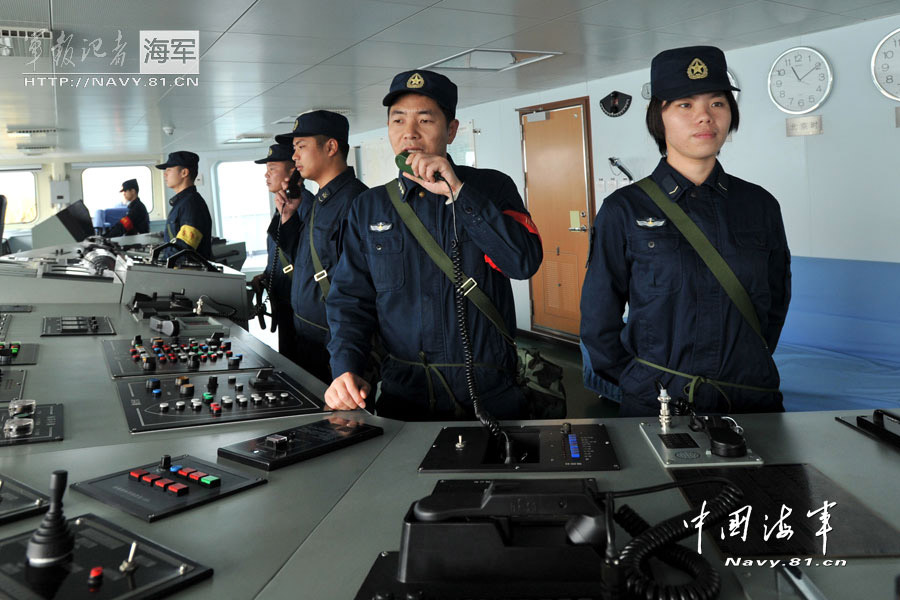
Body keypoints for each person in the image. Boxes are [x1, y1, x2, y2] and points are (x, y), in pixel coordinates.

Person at [580, 46, 791, 417]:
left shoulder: (759, 205)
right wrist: (635, 380)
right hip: (658, 401)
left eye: (717, 103)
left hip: (749, 399)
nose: (704, 118)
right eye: (685, 105)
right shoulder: (625, 210)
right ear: (658, 117)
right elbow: (599, 316)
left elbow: (775, 301)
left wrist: (746, 362)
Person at [324, 70, 543, 419]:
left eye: (425, 120)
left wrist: (460, 194)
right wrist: (346, 367)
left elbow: (523, 262)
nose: (409, 132)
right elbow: (351, 299)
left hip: (489, 391)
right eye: (398, 120)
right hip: (405, 393)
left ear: (451, 130)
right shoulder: (370, 207)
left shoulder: (492, 188)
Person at [274, 111, 367, 383]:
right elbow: (302, 261)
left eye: (301, 147)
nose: (294, 156)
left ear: (331, 147)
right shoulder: (318, 203)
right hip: (306, 337)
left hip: (335, 344)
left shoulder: (357, 202)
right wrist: (289, 218)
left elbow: (358, 288)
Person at [250, 142, 310, 363]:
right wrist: (267, 275)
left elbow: (304, 257)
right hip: (284, 302)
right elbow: (281, 249)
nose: (266, 175)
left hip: (298, 307)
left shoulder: (304, 207)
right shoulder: (284, 206)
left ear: (293, 171)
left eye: (272, 168)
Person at [155, 151, 212, 260]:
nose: (165, 174)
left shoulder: (191, 204)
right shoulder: (182, 203)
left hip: (188, 274)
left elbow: (183, 251)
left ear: (184, 173)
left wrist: (163, 266)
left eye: (169, 169)